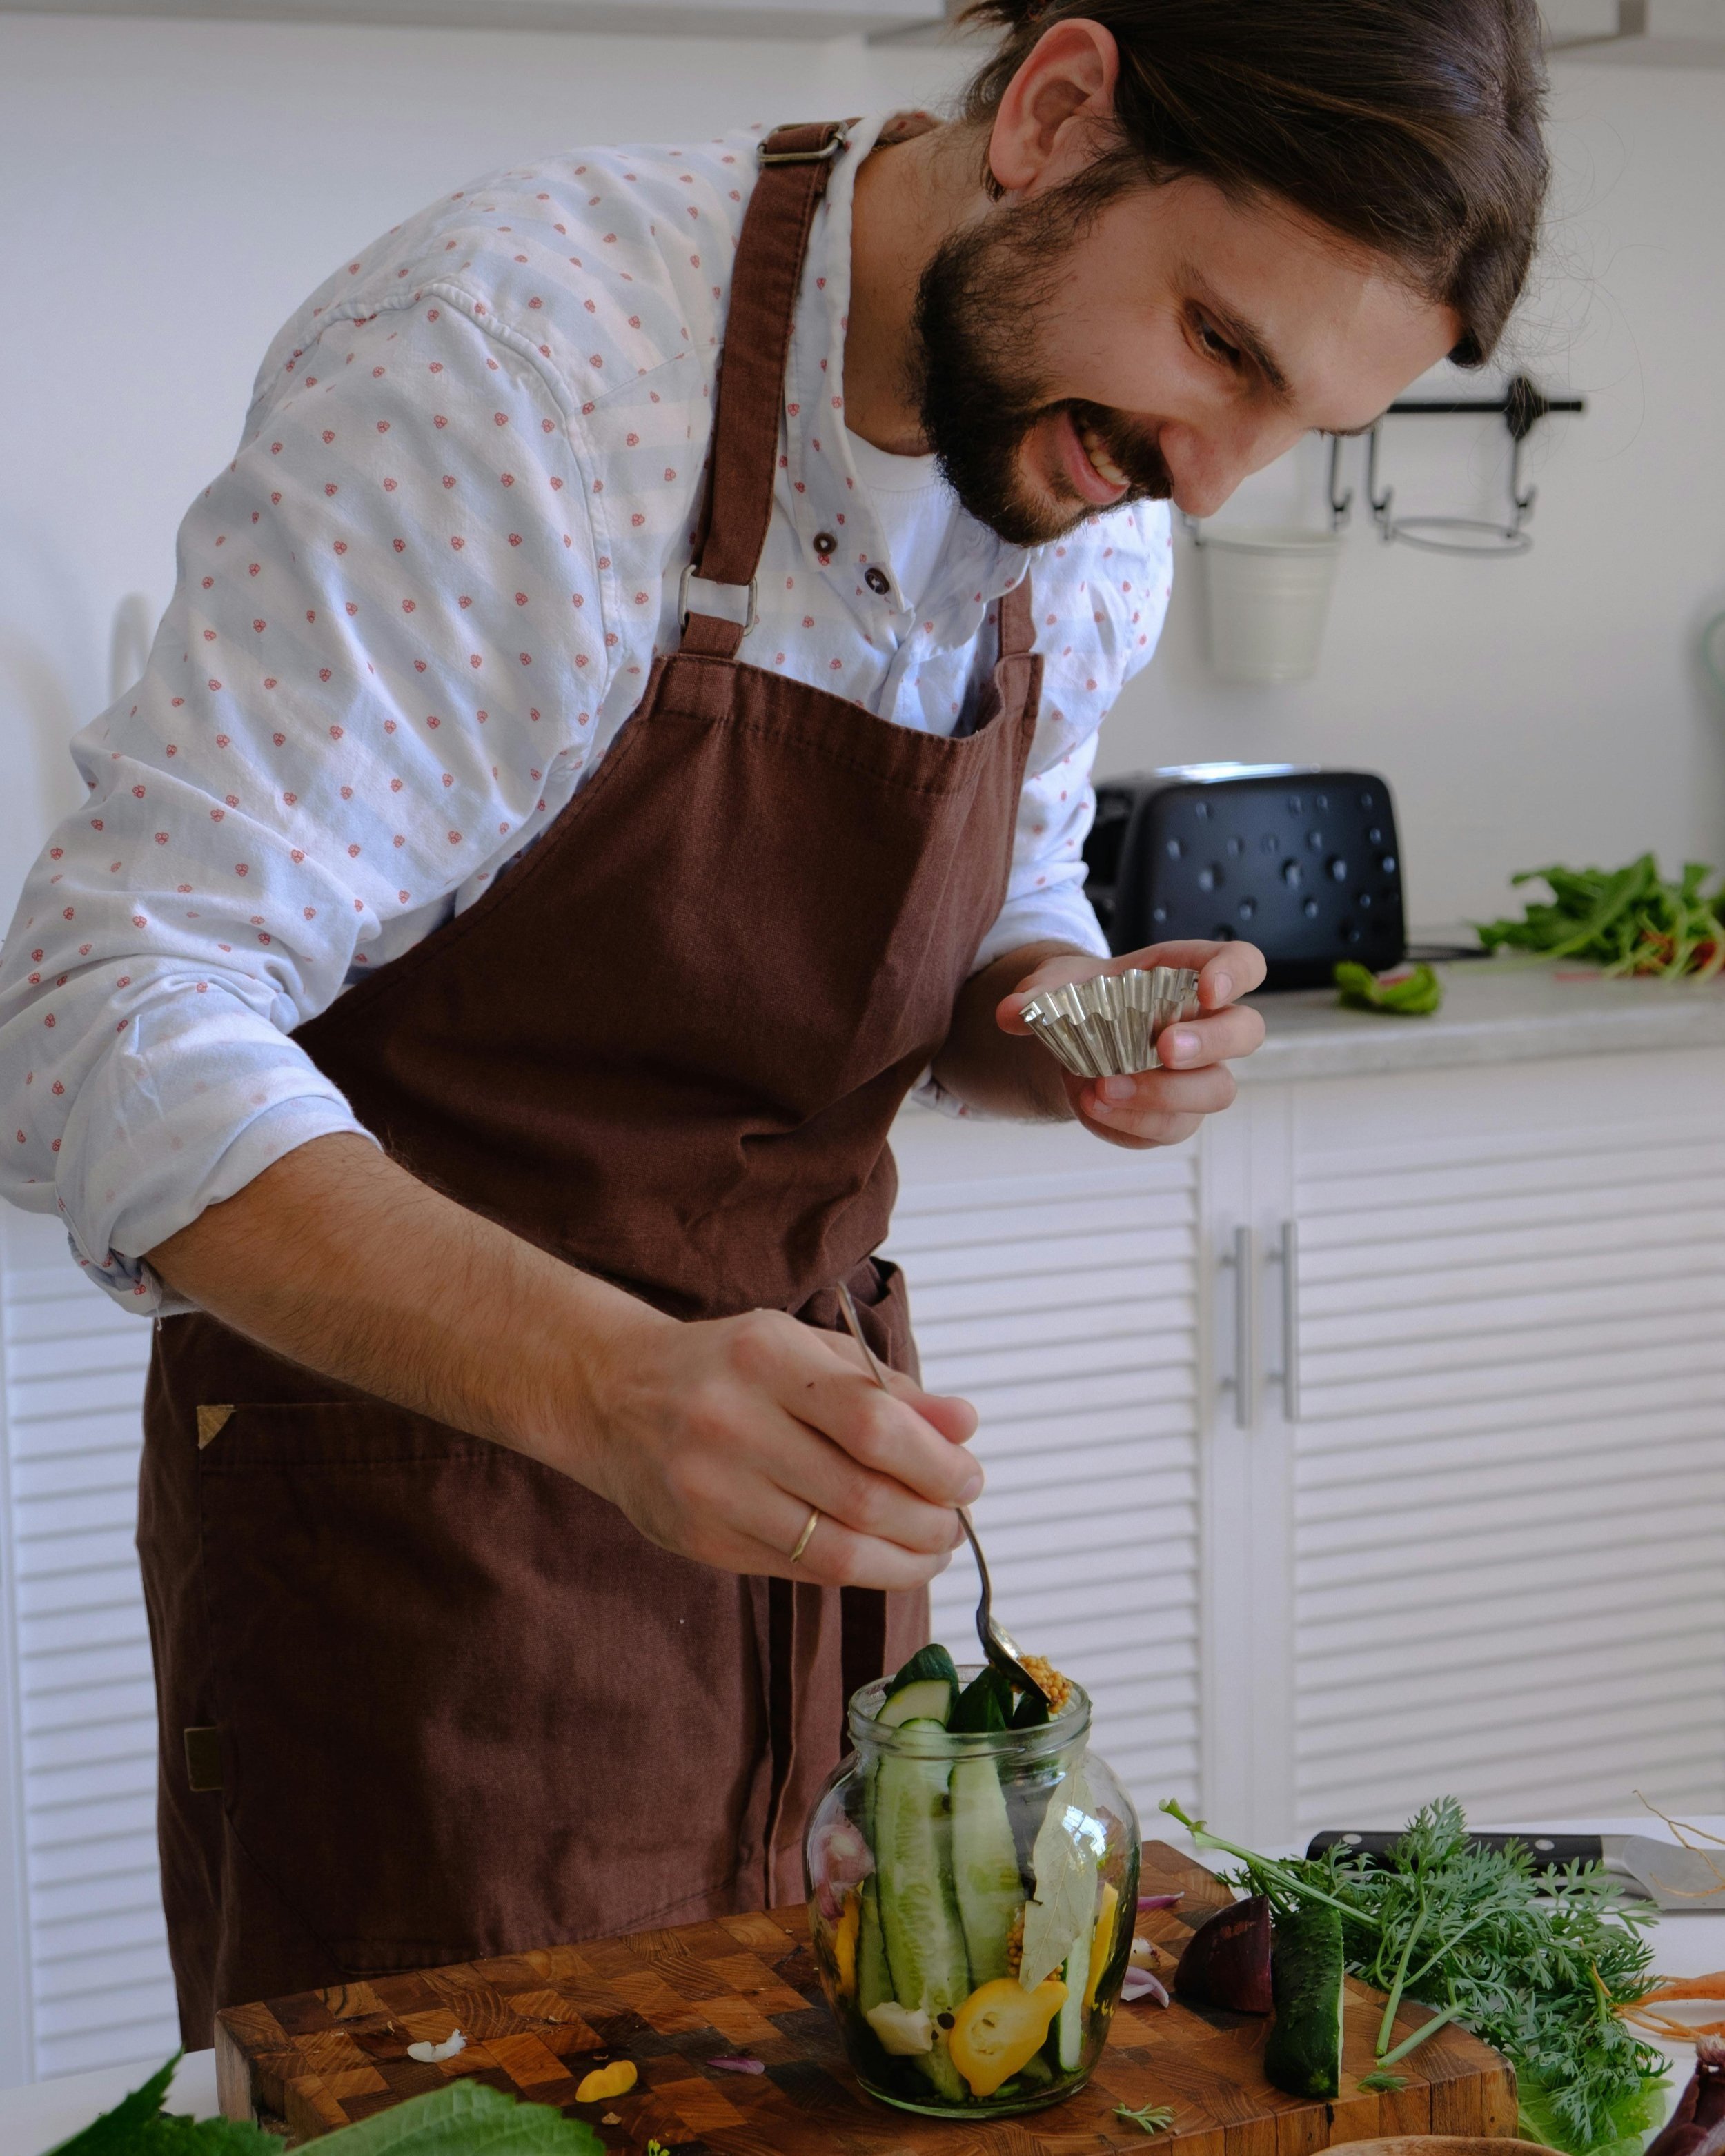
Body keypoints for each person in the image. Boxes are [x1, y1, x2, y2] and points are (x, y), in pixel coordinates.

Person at [0, 0, 1547, 2039]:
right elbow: (101, 1008)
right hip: (421, 1539)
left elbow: (1007, 899)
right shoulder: (518, 372)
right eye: (1217, 345)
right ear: (1056, 114)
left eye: (1295, 427)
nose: (1207, 475)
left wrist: (1066, 1014)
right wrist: (614, 1388)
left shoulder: (1092, 502)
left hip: (811, 1533)